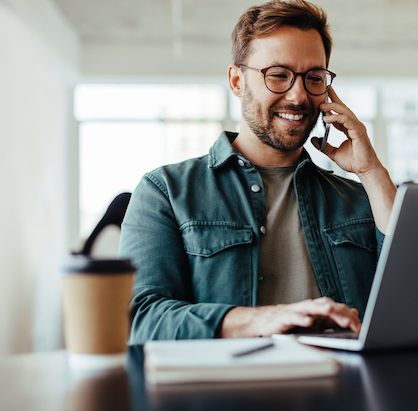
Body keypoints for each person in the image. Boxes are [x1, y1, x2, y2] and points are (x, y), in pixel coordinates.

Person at [119, 0, 397, 344]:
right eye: (278, 75)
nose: (298, 96)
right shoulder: (166, 192)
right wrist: (264, 319)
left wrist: (371, 172)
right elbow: (139, 319)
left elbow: (416, 298)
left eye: (314, 78)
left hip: (345, 391)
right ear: (237, 81)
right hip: (226, 393)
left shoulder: (358, 199)